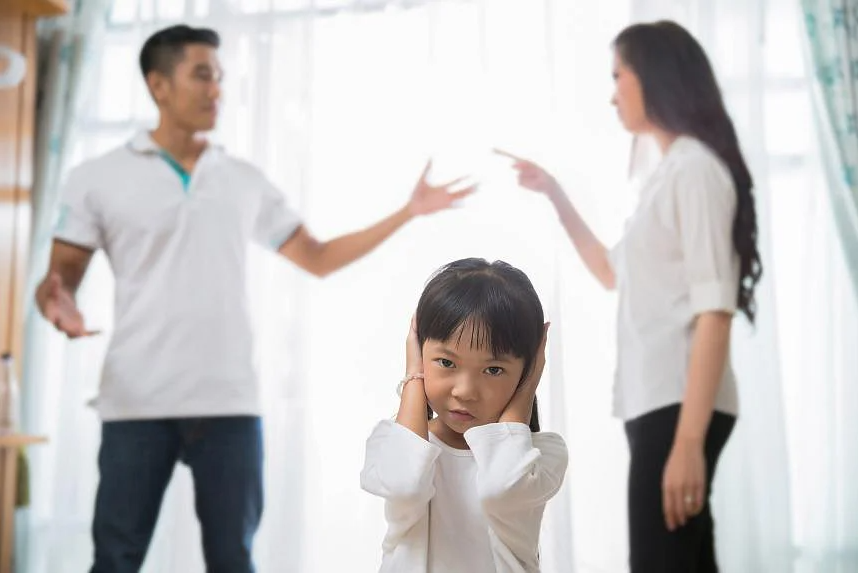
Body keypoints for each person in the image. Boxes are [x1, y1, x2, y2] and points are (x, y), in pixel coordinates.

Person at [34, 24, 473, 573]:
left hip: (229, 402)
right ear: (158, 85)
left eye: (220, 77)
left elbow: (316, 256)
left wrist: (407, 212)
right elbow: (60, 280)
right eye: (201, 75)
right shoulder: (97, 178)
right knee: (116, 558)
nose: (216, 89)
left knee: (234, 559)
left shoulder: (241, 179)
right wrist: (59, 305)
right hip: (136, 400)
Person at [496, 20, 763, 573]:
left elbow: (716, 310)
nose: (612, 92)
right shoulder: (668, 177)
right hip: (659, 403)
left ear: (655, 77)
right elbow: (609, 270)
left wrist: (687, 441)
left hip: (678, 407)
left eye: (619, 75)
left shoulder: (694, 171)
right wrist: (554, 194)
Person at [361, 258, 569, 573]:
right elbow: (406, 484)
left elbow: (502, 488)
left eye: (493, 369)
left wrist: (526, 388)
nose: (465, 390)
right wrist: (413, 378)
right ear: (420, 352)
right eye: (446, 363)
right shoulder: (392, 443)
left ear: (527, 369)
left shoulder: (541, 456)